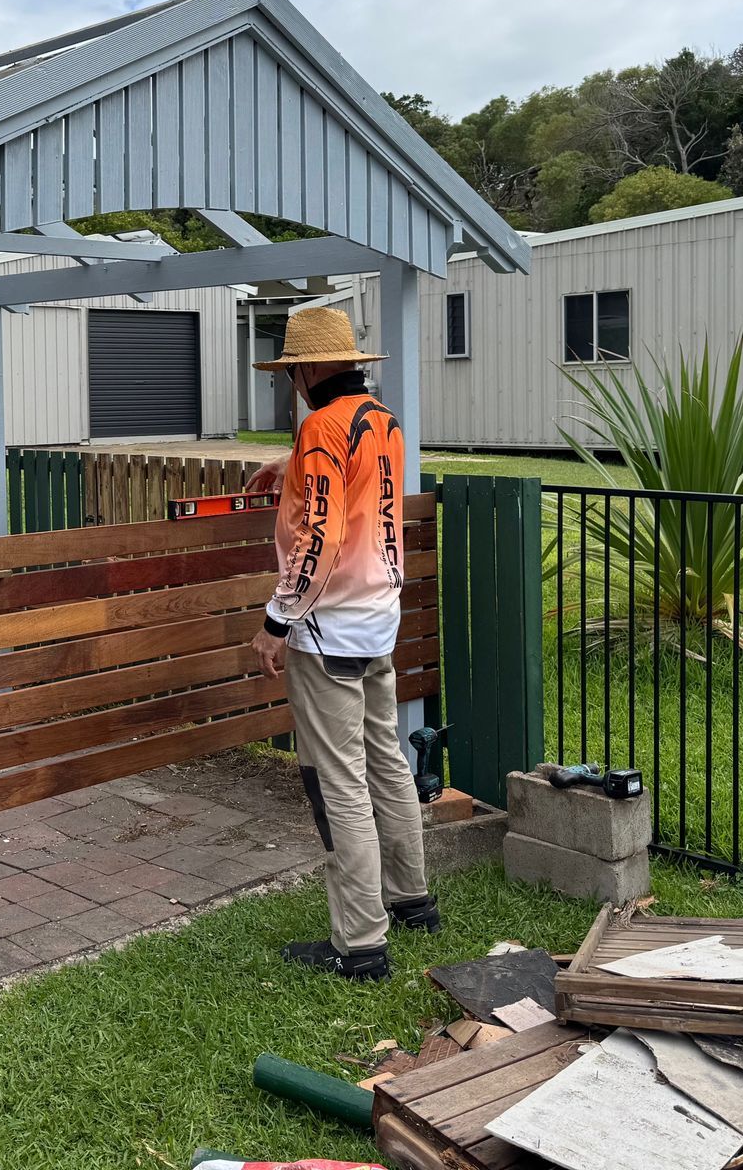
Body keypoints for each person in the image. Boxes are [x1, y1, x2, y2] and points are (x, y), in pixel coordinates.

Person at [247, 307, 438, 981]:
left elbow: (321, 535)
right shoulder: (381, 420)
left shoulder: (320, 427)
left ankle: (360, 944)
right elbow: (355, 489)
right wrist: (290, 465)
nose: (292, 383)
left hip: (327, 627)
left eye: (293, 371)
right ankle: (412, 899)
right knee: (385, 759)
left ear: (310, 370)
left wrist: (276, 620)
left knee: (339, 782)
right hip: (379, 617)